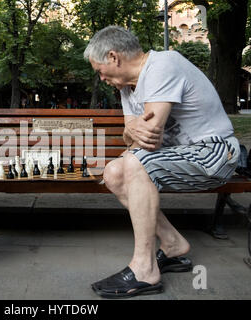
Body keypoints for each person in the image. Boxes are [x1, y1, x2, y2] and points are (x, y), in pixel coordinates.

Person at [83, 26, 240, 298]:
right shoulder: (127, 89)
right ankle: (172, 243)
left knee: (134, 164)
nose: (102, 77)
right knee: (113, 172)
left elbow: (148, 141)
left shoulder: (163, 65)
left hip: (214, 152)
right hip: (178, 156)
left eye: (100, 70)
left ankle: (145, 269)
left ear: (113, 57)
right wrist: (131, 131)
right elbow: (131, 138)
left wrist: (133, 132)